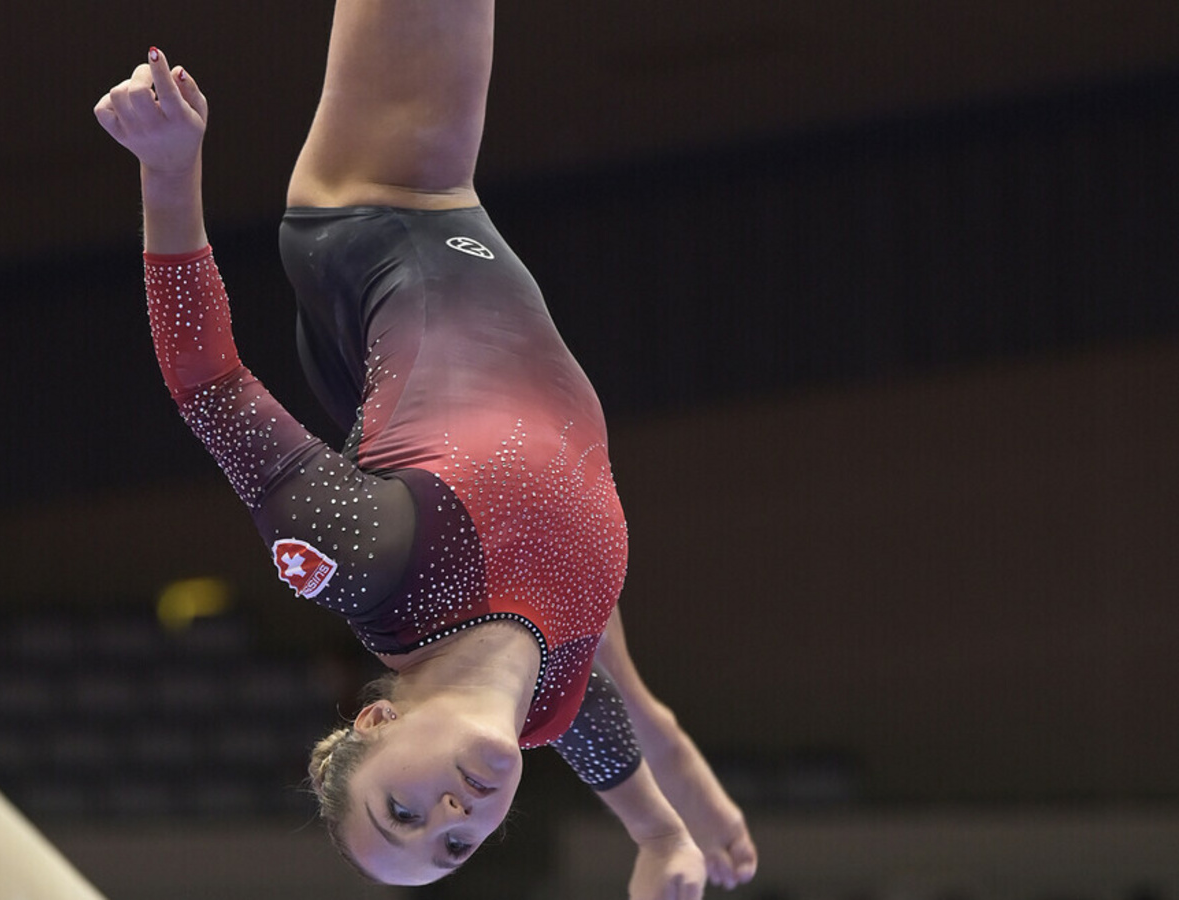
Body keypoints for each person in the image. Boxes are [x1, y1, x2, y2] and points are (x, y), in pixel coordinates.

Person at [94, 3, 757, 897]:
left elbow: (208, 388)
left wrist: (169, 173)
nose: (454, 816)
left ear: (375, 721)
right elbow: (604, 743)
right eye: (454, 848)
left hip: (382, 216)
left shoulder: (374, 566)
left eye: (400, 811)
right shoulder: (552, 700)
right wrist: (660, 837)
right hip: (411, 399)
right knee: (599, 658)